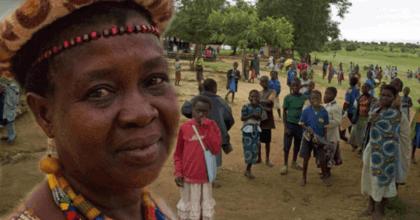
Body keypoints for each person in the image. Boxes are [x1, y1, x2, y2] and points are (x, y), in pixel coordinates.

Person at [3, 0, 180, 219]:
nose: (142, 113)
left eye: (155, 79)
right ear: (45, 115)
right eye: (99, 93)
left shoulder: (155, 209)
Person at [359, 85, 403, 220]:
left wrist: (376, 121)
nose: (384, 98)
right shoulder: (375, 110)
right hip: (372, 150)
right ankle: (370, 206)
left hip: (386, 155)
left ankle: (381, 209)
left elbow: (393, 135)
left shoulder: (396, 115)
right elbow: (371, 127)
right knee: (370, 178)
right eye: (383, 95)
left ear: (394, 98)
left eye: (388, 96)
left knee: (384, 180)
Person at [182, 79, 235, 188]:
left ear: (204, 88)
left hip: (197, 134)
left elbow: (185, 109)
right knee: (213, 158)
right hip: (214, 135)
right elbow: (230, 118)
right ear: (215, 89)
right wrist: (223, 129)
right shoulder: (221, 101)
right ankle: (210, 180)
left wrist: (195, 116)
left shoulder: (197, 99)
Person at [174, 95, 221, 220]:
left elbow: (216, 149)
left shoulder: (213, 126)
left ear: (209, 112)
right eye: (197, 110)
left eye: (204, 111)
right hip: (187, 177)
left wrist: (208, 127)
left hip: (205, 178)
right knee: (188, 210)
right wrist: (178, 172)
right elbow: (178, 153)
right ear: (192, 110)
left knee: (203, 211)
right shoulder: (185, 128)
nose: (201, 114)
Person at [299, 90, 331, 187]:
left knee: (321, 159)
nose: (315, 100)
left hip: (319, 140)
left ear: (321, 99)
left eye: (317, 98)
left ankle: (324, 177)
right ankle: (304, 178)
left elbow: (325, 127)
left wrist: (325, 139)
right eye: (313, 98)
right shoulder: (306, 110)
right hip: (308, 138)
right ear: (310, 99)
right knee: (306, 159)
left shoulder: (324, 112)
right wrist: (307, 129)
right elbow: (301, 123)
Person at [281, 78, 308, 175]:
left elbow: (306, 112)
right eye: (294, 85)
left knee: (297, 145)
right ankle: (285, 165)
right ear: (291, 86)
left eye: (297, 85)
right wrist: (285, 127)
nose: (295, 87)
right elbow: (284, 112)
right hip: (289, 125)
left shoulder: (304, 98)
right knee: (287, 146)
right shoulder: (287, 98)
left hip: (299, 126)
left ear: (300, 86)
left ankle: (294, 162)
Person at [241, 90, 265, 179]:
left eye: (256, 98)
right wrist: (252, 115)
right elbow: (242, 118)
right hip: (247, 131)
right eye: (252, 97)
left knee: (255, 149)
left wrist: (259, 117)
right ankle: (248, 169)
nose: (254, 99)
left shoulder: (260, 107)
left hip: (256, 131)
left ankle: (248, 169)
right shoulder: (246, 106)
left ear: (259, 99)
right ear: (249, 98)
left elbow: (261, 119)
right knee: (248, 149)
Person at [320, 87, 343, 178]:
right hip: (325, 135)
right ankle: (324, 170)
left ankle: (327, 172)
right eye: (325, 93)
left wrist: (325, 123)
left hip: (332, 136)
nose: (326, 95)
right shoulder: (326, 105)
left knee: (329, 155)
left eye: (328, 94)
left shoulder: (336, 108)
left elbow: (338, 122)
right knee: (324, 154)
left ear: (334, 95)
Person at [348, 84, 375, 153]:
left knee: (364, 134)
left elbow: (373, 109)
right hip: (358, 117)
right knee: (354, 131)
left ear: (369, 90)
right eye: (362, 88)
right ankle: (355, 145)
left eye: (365, 88)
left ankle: (362, 148)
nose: (363, 89)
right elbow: (355, 108)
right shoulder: (359, 98)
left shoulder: (371, 99)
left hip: (366, 118)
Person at [258, 76, 276, 167]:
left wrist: (259, 102)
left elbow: (270, 101)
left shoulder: (272, 91)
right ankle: (259, 157)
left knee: (267, 141)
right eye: (263, 81)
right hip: (260, 120)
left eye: (266, 81)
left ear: (268, 82)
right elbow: (268, 103)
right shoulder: (259, 93)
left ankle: (267, 159)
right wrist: (265, 105)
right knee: (258, 140)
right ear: (260, 83)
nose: (265, 82)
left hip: (267, 121)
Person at [0, 74, 19, 143]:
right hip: (2, 100)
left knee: (8, 117)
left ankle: (12, 134)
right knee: (3, 118)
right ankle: (9, 133)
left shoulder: (5, 78)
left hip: (5, 100)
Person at [341, 77, 360, 142]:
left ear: (350, 82)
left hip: (350, 110)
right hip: (356, 110)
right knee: (352, 125)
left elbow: (347, 102)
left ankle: (351, 140)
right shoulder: (357, 90)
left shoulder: (349, 90)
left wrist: (343, 110)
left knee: (346, 125)